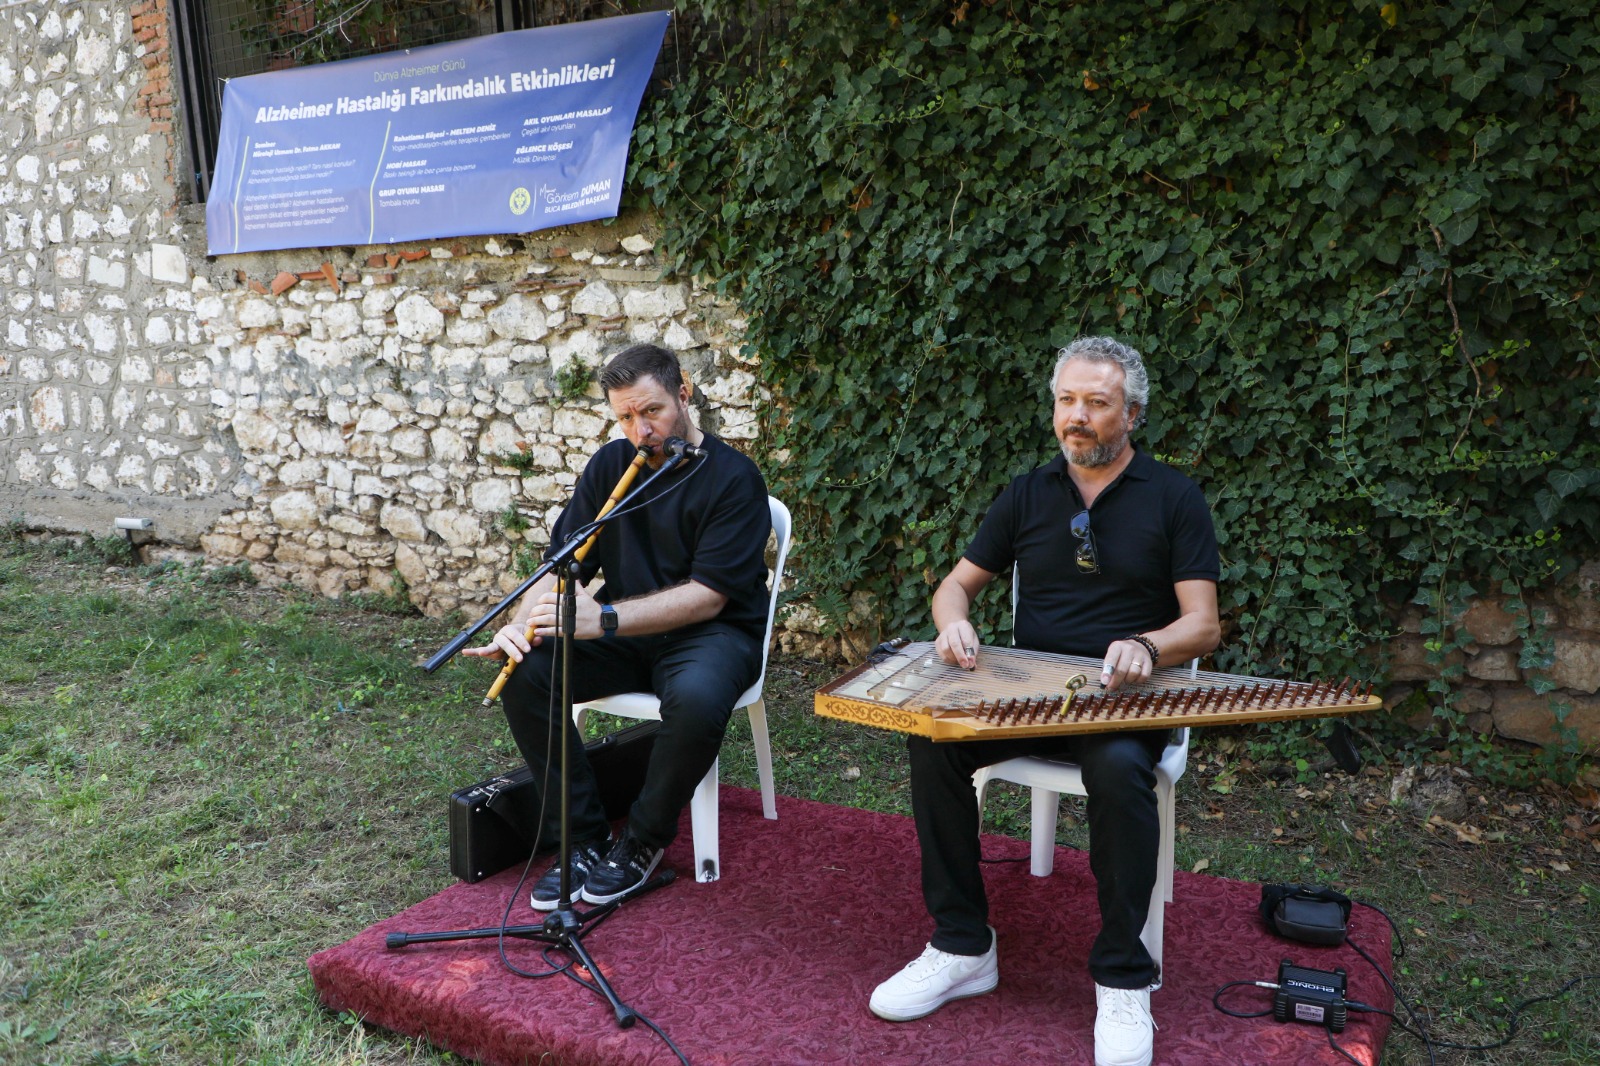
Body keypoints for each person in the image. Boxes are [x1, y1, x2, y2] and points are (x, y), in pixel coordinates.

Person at [869, 336, 1221, 1066]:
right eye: (1067, 400)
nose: (1078, 416)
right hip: (1028, 698)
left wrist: (1150, 647)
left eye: (1097, 402)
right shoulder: (1028, 493)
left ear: (1132, 413)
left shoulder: (1174, 498)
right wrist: (953, 620)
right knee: (932, 738)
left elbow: (1203, 623)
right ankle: (963, 943)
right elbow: (956, 584)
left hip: (1124, 702)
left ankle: (1125, 976)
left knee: (1122, 771)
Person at [464, 343, 771, 908]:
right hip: (624, 632)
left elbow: (708, 597)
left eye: (650, 411)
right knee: (528, 672)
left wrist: (602, 617)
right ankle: (581, 837)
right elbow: (563, 564)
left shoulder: (734, 478)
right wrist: (520, 622)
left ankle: (643, 842)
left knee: (700, 698)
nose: (640, 430)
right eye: (626, 417)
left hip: (715, 635)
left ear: (684, 392)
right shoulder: (611, 465)